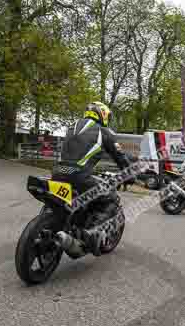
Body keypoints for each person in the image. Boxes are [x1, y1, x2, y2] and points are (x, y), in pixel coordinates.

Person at [52, 101, 132, 256]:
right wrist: (129, 175)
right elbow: (120, 156)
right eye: (107, 116)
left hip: (57, 173)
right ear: (102, 114)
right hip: (79, 177)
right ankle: (90, 234)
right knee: (111, 198)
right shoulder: (104, 131)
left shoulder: (72, 127)